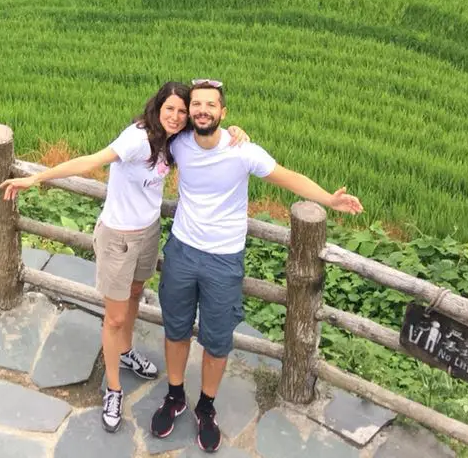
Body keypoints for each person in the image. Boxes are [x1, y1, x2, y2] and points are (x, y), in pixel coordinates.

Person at [2, 84, 247, 434]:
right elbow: (92, 161)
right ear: (157, 108)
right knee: (115, 318)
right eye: (170, 109)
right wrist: (37, 178)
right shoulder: (137, 139)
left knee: (134, 296)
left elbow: (213, 128)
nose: (177, 117)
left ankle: (127, 351)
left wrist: (237, 132)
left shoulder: (176, 137)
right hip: (118, 238)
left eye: (183, 111)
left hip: (147, 234)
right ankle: (113, 389)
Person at [152, 80, 363, 453]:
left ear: (223, 113)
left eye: (210, 105)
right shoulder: (178, 141)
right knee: (176, 330)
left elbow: (287, 176)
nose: (202, 110)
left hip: (224, 258)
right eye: (196, 104)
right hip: (182, 250)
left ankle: (206, 407)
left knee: (217, 342)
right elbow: (148, 133)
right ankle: (174, 397)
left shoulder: (241, 150)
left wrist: (329, 199)